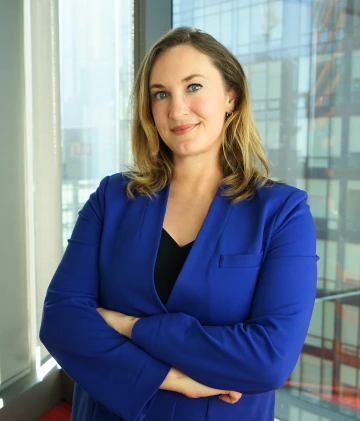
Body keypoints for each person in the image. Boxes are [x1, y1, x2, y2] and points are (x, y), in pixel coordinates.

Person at [40, 26, 318, 421]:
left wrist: (131, 327)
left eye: (193, 87)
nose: (176, 109)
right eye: (161, 94)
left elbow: (269, 359)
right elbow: (61, 320)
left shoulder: (282, 212)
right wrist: (170, 377)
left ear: (231, 98)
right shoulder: (112, 199)